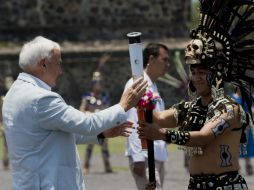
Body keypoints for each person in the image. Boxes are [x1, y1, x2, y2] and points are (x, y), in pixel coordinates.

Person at [2, 36, 148, 190]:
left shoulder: (15, 93)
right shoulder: (40, 98)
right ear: (43, 64)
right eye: (58, 64)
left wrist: (102, 133)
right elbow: (87, 124)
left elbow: (59, 133)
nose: (60, 71)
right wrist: (123, 105)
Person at [138, 0, 254, 189]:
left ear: (216, 74)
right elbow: (158, 117)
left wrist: (161, 135)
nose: (197, 77)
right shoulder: (190, 107)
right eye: (194, 72)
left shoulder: (230, 109)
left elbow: (203, 137)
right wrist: (141, 98)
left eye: (202, 72)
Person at [125, 43, 170, 190]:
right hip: (145, 157)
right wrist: (137, 158)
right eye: (165, 60)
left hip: (156, 154)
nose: (167, 65)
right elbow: (132, 120)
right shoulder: (137, 83)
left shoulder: (152, 85)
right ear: (151, 59)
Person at [80, 71, 113, 174]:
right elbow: (81, 110)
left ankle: (107, 165)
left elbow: (108, 110)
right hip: (91, 125)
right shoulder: (87, 97)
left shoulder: (105, 96)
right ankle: (86, 165)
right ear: (93, 83)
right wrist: (90, 113)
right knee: (89, 146)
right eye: (96, 82)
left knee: (104, 146)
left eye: (100, 82)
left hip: (102, 125)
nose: (98, 85)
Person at [232, 88, 254, 175]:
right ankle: (236, 167)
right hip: (235, 126)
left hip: (246, 126)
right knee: (235, 146)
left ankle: (248, 166)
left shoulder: (247, 98)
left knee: (246, 145)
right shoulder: (232, 98)